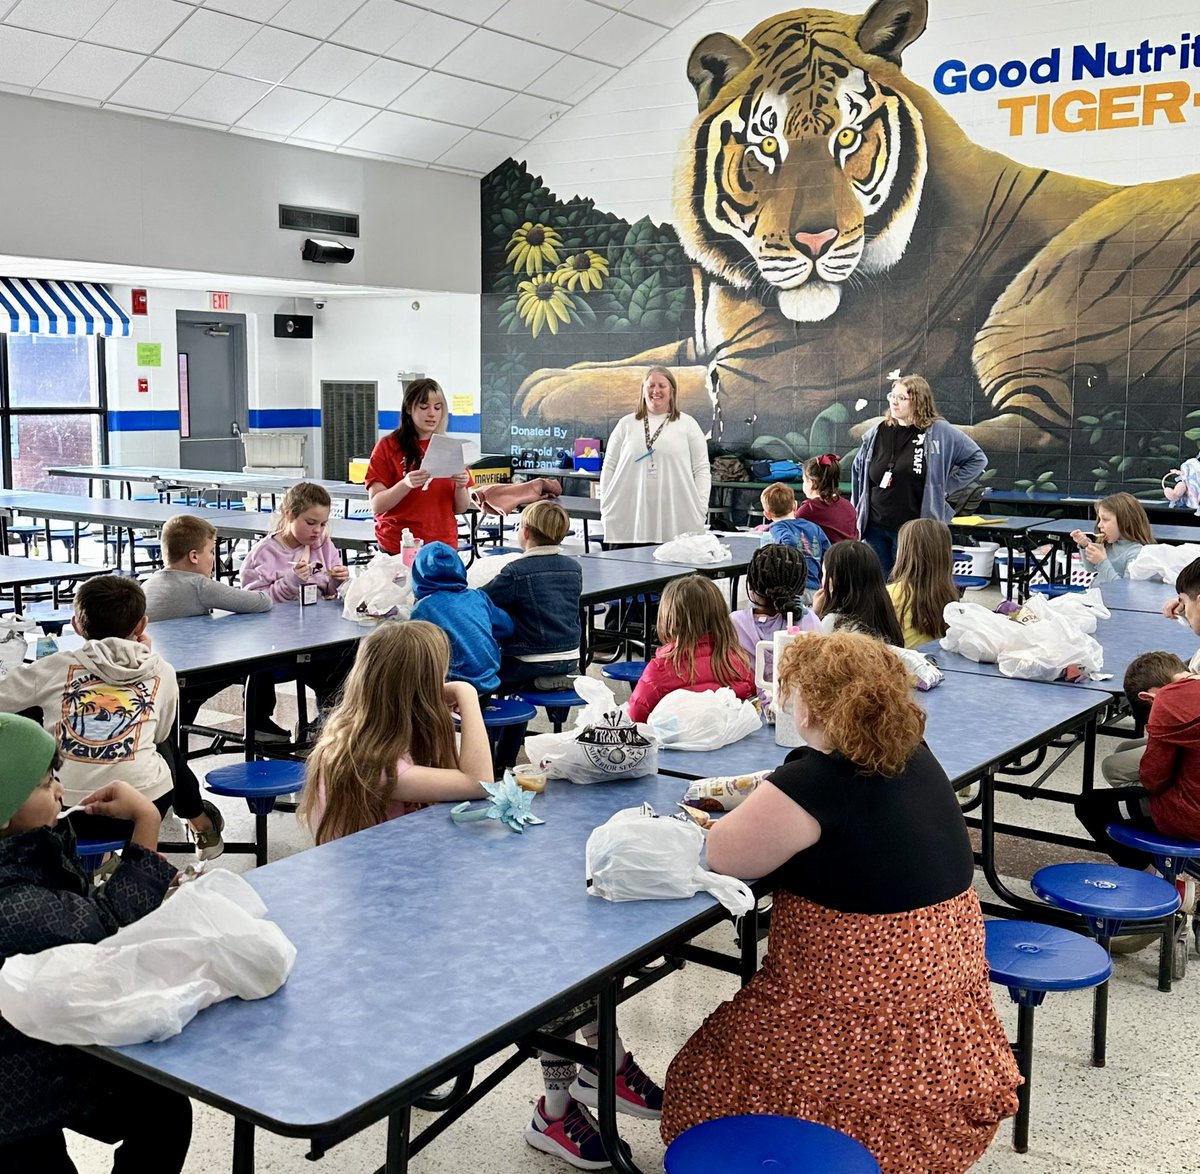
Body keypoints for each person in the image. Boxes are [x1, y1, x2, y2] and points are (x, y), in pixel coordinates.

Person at [659, 632, 1021, 1170]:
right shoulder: (915, 755)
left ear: (816, 706)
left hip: (853, 1019)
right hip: (938, 1035)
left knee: (705, 1072)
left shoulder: (813, 784)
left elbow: (725, 854)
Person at [0, 714, 192, 1172]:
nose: (61, 792)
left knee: (163, 1106)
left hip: (36, 1050)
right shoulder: (10, 903)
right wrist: (146, 820)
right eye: (47, 784)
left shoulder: (20, 853)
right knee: (159, 1110)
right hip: (16, 1095)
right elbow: (105, 928)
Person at [0, 576, 221, 858]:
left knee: (34, 720)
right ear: (141, 625)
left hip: (64, 811)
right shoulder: (163, 671)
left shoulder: (53, 666)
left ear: (76, 626)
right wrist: (141, 658)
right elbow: (163, 732)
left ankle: (98, 860)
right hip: (145, 807)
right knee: (158, 743)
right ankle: (200, 821)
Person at [300, 621, 491, 845]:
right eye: (441, 678)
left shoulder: (369, 734)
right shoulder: (375, 764)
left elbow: (452, 781)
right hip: (372, 873)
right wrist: (466, 693)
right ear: (419, 690)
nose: (444, 685)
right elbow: (479, 782)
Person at [240, 482, 355, 744]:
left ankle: (330, 718)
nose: (318, 531)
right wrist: (290, 582)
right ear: (289, 515)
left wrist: (339, 580)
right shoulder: (263, 554)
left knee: (345, 661)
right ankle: (258, 723)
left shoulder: (324, 545)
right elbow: (252, 602)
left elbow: (330, 585)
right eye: (311, 522)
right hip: (276, 641)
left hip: (316, 635)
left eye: (323, 524)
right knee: (258, 663)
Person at [1076, 651, 1200, 873]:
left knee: (1090, 806)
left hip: (1190, 819)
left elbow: (1154, 779)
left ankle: (1156, 880)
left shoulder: (1168, 702)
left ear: (1147, 697)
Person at [851, 374, 986, 576]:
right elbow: (858, 470)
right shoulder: (878, 431)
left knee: (907, 585)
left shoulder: (940, 431)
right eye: (892, 396)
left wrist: (944, 487)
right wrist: (857, 508)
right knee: (877, 586)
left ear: (918, 400)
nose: (894, 402)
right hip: (875, 526)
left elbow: (977, 459)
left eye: (902, 398)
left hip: (913, 529)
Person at [598, 367, 711, 548]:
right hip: (628, 522)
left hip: (677, 521)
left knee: (675, 576)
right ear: (643, 390)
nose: (655, 391)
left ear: (672, 391)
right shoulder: (626, 424)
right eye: (651, 385)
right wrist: (606, 505)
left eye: (662, 386)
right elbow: (609, 466)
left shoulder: (687, 424)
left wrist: (700, 508)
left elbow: (702, 469)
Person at [626, 575, 756, 724]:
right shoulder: (737, 661)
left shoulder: (660, 670)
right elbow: (751, 702)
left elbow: (635, 716)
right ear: (720, 617)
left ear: (669, 619)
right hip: (727, 742)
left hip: (675, 745)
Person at [365, 378, 472, 553]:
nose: (432, 414)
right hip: (399, 544)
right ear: (408, 408)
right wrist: (405, 484)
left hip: (442, 545)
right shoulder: (387, 446)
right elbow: (377, 504)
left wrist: (461, 487)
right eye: (424, 407)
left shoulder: (450, 447)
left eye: (438, 408)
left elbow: (460, 508)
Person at [410, 541, 514, 696]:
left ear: (417, 574)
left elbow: (415, 651)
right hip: (488, 686)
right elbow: (506, 627)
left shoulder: (423, 608)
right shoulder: (478, 596)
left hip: (451, 693)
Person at [143, 514, 272, 621]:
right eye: (211, 551)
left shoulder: (147, 585)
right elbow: (262, 602)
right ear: (194, 556)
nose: (213, 557)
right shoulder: (199, 586)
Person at [730, 544, 820, 679]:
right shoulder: (810, 621)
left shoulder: (733, 624)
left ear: (751, 584)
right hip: (797, 698)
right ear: (800, 586)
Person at [813, 540, 905, 646]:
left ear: (832, 582)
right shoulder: (886, 616)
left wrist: (815, 616)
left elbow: (813, 655)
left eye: (824, 574)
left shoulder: (833, 622)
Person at [887, 518, 959, 648]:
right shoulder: (950, 596)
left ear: (903, 553)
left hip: (902, 664)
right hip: (937, 665)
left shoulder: (888, 595)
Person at [756, 483, 828, 593]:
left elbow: (789, 541)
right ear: (795, 505)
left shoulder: (777, 528)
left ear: (767, 514)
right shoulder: (814, 527)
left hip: (794, 589)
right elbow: (829, 553)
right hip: (815, 588)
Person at [1069, 492, 1154, 583]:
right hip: (1095, 594)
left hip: (1110, 596)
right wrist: (1085, 545)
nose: (1099, 525)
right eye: (1099, 519)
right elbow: (1090, 568)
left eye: (1105, 520)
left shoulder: (1136, 552)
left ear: (1125, 522)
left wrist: (1101, 562)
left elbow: (1124, 590)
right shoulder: (1109, 543)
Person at [795, 452, 858, 544]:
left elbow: (792, 532)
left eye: (804, 480)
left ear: (813, 483)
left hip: (829, 557)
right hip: (852, 554)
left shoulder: (809, 509)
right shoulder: (847, 505)